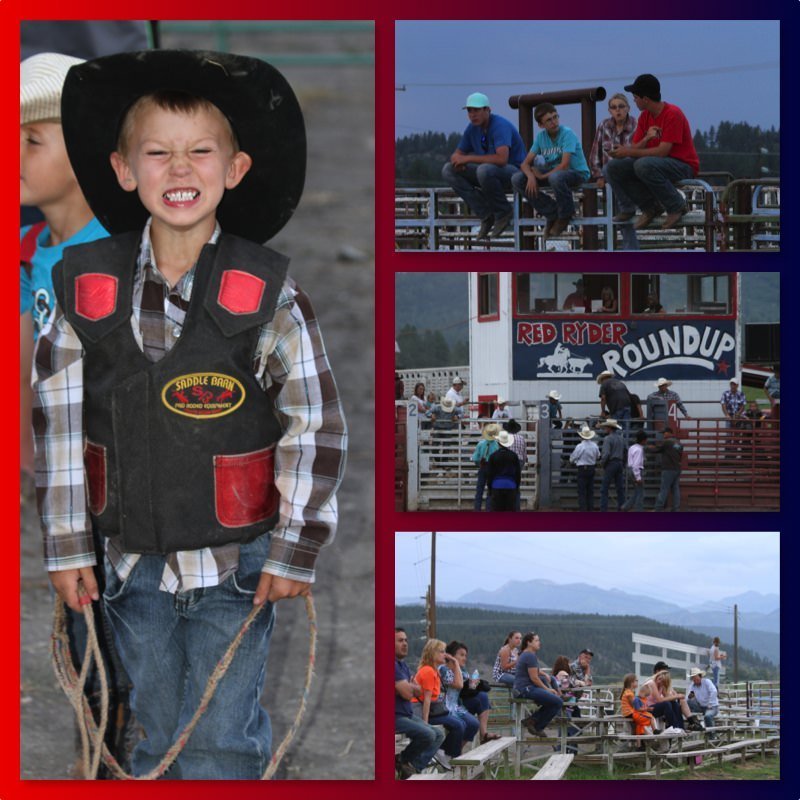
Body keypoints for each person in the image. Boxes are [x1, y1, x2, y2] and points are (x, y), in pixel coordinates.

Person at [33, 50, 347, 779]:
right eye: (157, 153)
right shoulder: (85, 289)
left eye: (200, 151)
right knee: (153, 729)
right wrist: (68, 546)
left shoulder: (269, 296)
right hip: (126, 566)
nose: (180, 170)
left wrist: (297, 544)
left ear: (234, 169)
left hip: (235, 570)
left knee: (220, 743)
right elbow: (57, 422)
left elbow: (317, 424)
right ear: (121, 169)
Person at [20, 53, 110, 476]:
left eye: (32, 140)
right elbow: (21, 369)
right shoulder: (25, 249)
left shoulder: (122, 252)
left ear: (83, 155)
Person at [606, 73, 700, 240]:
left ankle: (676, 205)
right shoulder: (645, 116)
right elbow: (636, 147)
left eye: (635, 97)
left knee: (642, 165)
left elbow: (663, 151)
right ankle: (649, 207)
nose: (634, 100)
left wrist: (627, 152)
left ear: (646, 99)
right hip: (656, 164)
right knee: (613, 168)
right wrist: (646, 139)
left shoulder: (673, 114)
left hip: (683, 165)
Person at [442, 92, 527, 240]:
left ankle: (503, 211)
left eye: (477, 110)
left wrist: (467, 159)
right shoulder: (472, 128)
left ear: (487, 110)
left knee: (484, 169)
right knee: (448, 170)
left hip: (515, 173)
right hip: (489, 175)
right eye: (469, 110)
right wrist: (458, 162)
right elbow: (456, 155)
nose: (472, 114)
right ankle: (486, 214)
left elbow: (502, 159)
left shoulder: (500, 125)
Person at [511, 102, 591, 238]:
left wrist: (542, 177)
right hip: (555, 174)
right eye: (549, 120)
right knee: (517, 179)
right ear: (541, 125)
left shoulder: (567, 133)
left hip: (576, 173)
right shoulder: (541, 138)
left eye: (555, 117)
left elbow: (565, 165)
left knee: (556, 177)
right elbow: (524, 164)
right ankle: (551, 211)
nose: (554, 122)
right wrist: (530, 176)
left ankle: (565, 215)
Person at [412, 639, 473, 768]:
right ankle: (448, 755)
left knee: (460, 723)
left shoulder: (434, 670)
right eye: (441, 652)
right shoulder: (428, 671)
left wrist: (455, 663)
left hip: (433, 709)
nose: (444, 655)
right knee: (458, 725)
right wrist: (425, 724)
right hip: (421, 710)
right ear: (432, 653)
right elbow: (426, 700)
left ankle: (448, 754)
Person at [395, 628, 445, 778]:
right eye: (400, 640)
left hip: (407, 713)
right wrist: (410, 688)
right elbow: (410, 693)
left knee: (439, 734)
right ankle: (404, 762)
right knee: (429, 734)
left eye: (406, 640)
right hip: (395, 715)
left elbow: (417, 690)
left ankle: (411, 767)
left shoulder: (402, 665)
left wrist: (409, 687)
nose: (405, 644)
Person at [441, 641, 494, 744]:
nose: (464, 658)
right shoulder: (444, 669)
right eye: (461, 655)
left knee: (483, 697)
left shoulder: (462, 670)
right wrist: (456, 666)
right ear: (451, 656)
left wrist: (473, 684)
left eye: (465, 655)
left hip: (457, 704)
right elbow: (458, 684)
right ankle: (452, 752)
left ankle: (483, 735)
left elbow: (465, 686)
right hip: (444, 707)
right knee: (470, 723)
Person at [513, 632, 564, 736]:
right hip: (525, 689)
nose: (539, 643)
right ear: (529, 642)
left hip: (524, 688)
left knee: (554, 700)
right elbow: (534, 678)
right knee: (558, 702)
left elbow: (535, 672)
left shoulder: (526, 654)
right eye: (536, 640)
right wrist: (547, 689)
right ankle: (537, 726)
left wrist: (544, 674)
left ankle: (532, 721)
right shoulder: (529, 656)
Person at [588, 93, 637, 192]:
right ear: (610, 111)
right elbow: (595, 155)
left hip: (630, 177)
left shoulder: (636, 125)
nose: (617, 110)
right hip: (608, 180)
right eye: (614, 107)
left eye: (621, 106)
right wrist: (599, 176)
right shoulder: (603, 125)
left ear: (628, 108)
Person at [487, 430, 521, 511]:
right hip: (511, 485)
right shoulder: (514, 456)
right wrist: (516, 487)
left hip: (496, 485)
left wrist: (490, 489)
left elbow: (490, 474)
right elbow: (518, 474)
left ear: (498, 443)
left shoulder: (493, 456)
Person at [650, 426, 683, 512]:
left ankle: (658, 508)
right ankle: (676, 508)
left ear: (669, 433)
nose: (663, 435)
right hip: (677, 469)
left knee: (664, 489)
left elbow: (657, 449)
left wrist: (648, 447)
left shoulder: (667, 442)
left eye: (664, 433)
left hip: (668, 469)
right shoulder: (678, 443)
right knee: (675, 489)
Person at [569, 426, 601, 511]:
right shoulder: (595, 445)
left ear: (582, 436)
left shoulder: (580, 446)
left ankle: (583, 510)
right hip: (591, 468)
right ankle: (590, 509)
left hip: (582, 469)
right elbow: (598, 456)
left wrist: (573, 461)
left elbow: (572, 458)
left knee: (582, 491)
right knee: (590, 491)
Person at [471, 422, 500, 511]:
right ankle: (488, 509)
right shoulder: (497, 445)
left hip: (483, 467)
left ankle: (477, 509)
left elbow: (475, 458)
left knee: (479, 489)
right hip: (493, 469)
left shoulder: (480, 444)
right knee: (490, 491)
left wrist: (479, 464)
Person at [599, 419, 626, 512]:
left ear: (609, 428)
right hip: (619, 463)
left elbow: (606, 454)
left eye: (606, 427)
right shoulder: (621, 438)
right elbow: (625, 451)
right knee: (620, 488)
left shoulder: (607, 439)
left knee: (604, 488)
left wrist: (602, 464)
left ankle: (603, 510)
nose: (605, 428)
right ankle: (621, 508)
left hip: (611, 464)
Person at [597, 370, 632, 435]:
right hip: (627, 406)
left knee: (614, 427)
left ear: (603, 378)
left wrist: (603, 411)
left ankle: (616, 442)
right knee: (626, 428)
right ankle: (625, 443)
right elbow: (629, 395)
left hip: (617, 408)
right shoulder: (620, 383)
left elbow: (603, 398)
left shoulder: (604, 384)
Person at [622, 429, 648, 511]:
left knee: (637, 491)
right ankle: (638, 510)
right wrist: (638, 477)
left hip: (630, 470)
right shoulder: (639, 450)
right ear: (643, 440)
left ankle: (626, 507)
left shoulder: (632, 447)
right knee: (640, 493)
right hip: (636, 471)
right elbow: (636, 465)